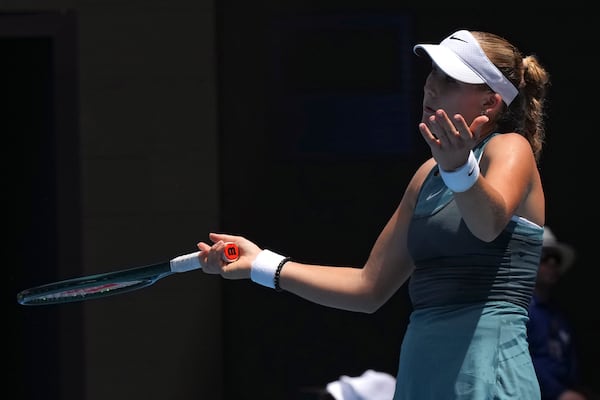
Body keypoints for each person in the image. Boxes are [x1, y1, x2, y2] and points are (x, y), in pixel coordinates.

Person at [198, 29, 551, 399]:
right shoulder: (426, 177)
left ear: (490, 103)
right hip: (420, 372)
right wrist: (261, 264)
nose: (430, 87)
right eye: (432, 73)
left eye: (450, 79)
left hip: (486, 371)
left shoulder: (511, 149)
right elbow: (369, 288)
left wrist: (459, 168)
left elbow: (488, 225)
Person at [527, 227, 590, 400]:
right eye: (545, 257)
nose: (552, 264)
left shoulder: (559, 314)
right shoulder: (521, 312)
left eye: (556, 259)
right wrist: (559, 393)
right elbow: (523, 360)